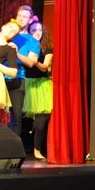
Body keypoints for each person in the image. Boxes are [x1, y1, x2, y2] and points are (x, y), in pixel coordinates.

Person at [7, 5, 40, 135]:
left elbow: (31, 62)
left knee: (16, 117)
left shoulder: (33, 42)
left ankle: (13, 146)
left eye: (24, 17)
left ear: (30, 20)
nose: (21, 19)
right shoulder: (7, 34)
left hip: (18, 79)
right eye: (19, 15)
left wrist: (17, 53)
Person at [23, 20, 53, 160]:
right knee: (23, 121)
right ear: (29, 32)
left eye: (39, 30)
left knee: (40, 123)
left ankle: (37, 150)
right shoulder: (25, 46)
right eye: (33, 30)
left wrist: (35, 62)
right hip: (26, 83)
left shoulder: (47, 48)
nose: (37, 32)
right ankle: (22, 148)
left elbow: (45, 67)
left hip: (42, 85)